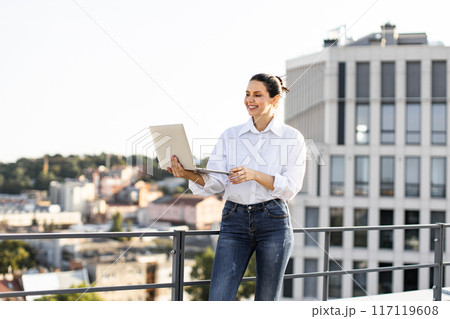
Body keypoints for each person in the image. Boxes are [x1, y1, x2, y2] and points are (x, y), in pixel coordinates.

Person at [167, 73, 306, 301]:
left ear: (275, 99)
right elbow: (216, 182)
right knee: (219, 298)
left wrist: (254, 175)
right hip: (235, 219)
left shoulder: (292, 138)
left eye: (257, 95)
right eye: (247, 94)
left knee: (266, 301)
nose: (249, 100)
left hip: (273, 221)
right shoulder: (230, 135)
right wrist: (188, 174)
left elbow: (291, 187)